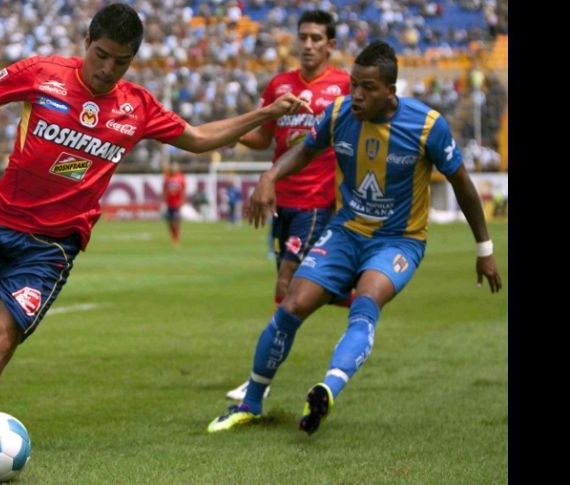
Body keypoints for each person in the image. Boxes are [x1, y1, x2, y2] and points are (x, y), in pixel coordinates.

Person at [0, 3, 312, 479]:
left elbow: (200, 138)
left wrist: (265, 113)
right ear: (87, 42)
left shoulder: (137, 106)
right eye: (101, 55)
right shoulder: (42, 74)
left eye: (120, 61)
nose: (107, 69)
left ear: (132, 59)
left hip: (51, 249)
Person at [208, 40, 502, 435]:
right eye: (353, 85)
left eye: (367, 87)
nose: (357, 95)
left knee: (366, 302)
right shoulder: (339, 113)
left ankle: (327, 389)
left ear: (390, 91)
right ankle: (251, 404)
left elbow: (462, 184)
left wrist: (484, 249)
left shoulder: (427, 125)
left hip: (399, 240)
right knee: (291, 305)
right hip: (345, 231)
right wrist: (270, 176)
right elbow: (306, 152)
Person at [225, 10, 351, 401]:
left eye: (317, 38)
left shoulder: (346, 86)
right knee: (295, 287)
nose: (308, 45)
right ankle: (348, 290)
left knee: (285, 283)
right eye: (304, 37)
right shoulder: (280, 86)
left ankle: (259, 379)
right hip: (283, 202)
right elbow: (264, 138)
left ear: (331, 44)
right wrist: (229, 133)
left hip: (318, 202)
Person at [163, 162, 186, 245]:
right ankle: (173, 235)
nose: (173, 169)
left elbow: (183, 191)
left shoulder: (181, 177)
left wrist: (182, 201)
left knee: (176, 220)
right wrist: (163, 200)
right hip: (169, 203)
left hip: (177, 203)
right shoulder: (167, 178)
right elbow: (164, 190)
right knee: (169, 221)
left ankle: (176, 236)